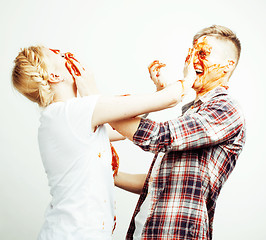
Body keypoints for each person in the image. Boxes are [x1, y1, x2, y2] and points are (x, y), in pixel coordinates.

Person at [11, 46, 195, 239]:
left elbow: (120, 130)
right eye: (61, 56)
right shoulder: (73, 112)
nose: (69, 56)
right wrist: (189, 75)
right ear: (55, 76)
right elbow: (172, 98)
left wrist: (157, 92)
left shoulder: (60, 118)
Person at [112, 25, 246, 239]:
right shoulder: (190, 114)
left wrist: (96, 108)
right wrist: (111, 175)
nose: (193, 60)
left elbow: (158, 137)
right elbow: (160, 182)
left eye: (202, 53)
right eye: (192, 52)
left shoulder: (226, 109)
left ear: (227, 65)